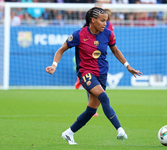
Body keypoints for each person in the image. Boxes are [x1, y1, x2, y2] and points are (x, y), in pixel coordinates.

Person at [46, 7, 142, 145]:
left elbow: (115, 51)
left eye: (106, 21)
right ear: (93, 20)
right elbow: (61, 50)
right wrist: (54, 65)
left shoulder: (108, 34)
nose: (105, 24)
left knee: (91, 110)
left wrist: (128, 66)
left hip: (102, 74)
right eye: (102, 21)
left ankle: (68, 133)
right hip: (85, 73)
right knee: (103, 96)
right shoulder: (79, 34)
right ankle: (120, 129)